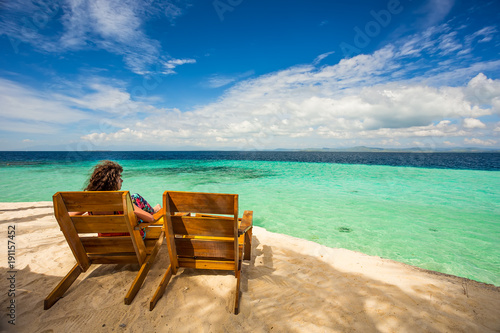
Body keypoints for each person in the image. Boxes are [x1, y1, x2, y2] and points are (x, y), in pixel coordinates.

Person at [70, 160, 161, 226]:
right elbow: (150, 219)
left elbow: (69, 216)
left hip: (104, 240)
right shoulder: (122, 200)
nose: (122, 180)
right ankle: (154, 210)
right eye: (119, 177)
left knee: (134, 199)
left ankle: (154, 209)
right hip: (129, 239)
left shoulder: (90, 202)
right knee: (135, 197)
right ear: (112, 181)